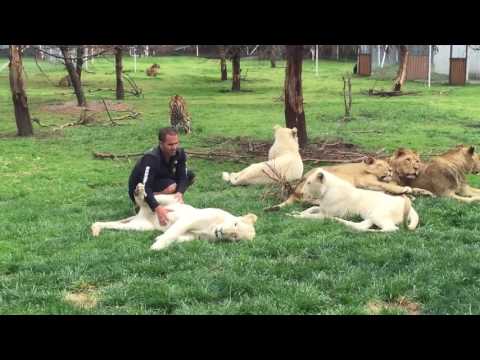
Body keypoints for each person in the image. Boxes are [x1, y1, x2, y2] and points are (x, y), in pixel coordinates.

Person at [128, 127, 195, 226]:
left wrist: (180, 192)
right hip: (139, 188)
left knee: (189, 175)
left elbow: (183, 177)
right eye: (170, 144)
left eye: (176, 143)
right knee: (171, 185)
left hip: (161, 179)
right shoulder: (151, 158)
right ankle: (144, 203)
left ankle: (170, 202)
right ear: (161, 144)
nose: (174, 147)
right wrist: (158, 209)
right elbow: (146, 187)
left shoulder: (180, 153)